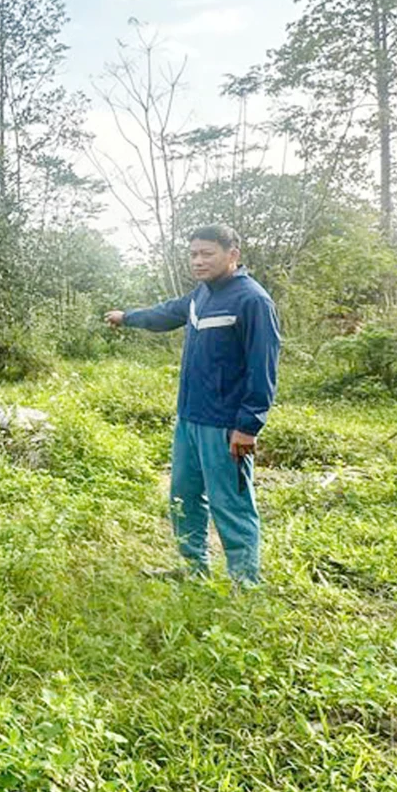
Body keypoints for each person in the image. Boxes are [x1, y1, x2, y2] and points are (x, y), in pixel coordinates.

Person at [106, 225, 281, 586]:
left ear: (232, 255)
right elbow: (165, 314)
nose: (198, 261)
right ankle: (193, 570)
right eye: (193, 254)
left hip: (225, 425)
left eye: (207, 253)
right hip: (190, 419)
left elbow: (263, 368)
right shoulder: (201, 295)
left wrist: (248, 426)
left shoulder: (253, 301)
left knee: (230, 505)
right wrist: (127, 317)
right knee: (183, 498)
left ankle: (245, 585)